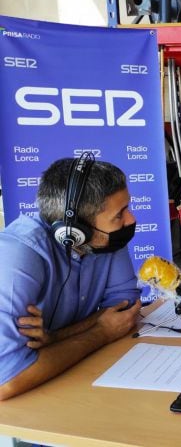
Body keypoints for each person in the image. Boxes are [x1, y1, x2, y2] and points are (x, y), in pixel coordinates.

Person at [0, 156, 141, 400]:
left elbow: (124, 310)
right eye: (120, 214)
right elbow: (7, 379)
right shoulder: (18, 254)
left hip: (68, 380)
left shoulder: (107, 238)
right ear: (76, 230)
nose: (131, 220)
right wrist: (101, 333)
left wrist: (55, 338)